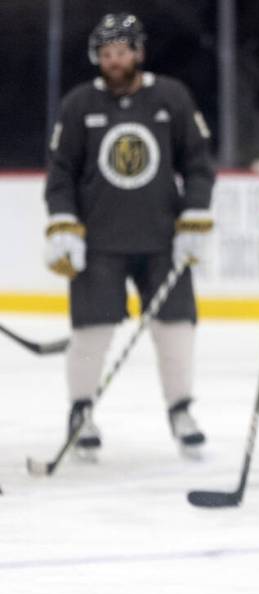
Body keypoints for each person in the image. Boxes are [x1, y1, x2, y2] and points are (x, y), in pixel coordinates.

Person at [44, 13, 215, 459]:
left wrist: (195, 215)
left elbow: (197, 163)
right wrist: (63, 224)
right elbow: (60, 174)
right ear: (97, 58)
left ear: (138, 52)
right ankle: (81, 411)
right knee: (91, 332)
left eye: (121, 51)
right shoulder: (79, 104)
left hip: (163, 240)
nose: (114, 60)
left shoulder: (172, 97)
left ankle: (181, 410)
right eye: (106, 54)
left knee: (176, 330)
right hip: (98, 242)